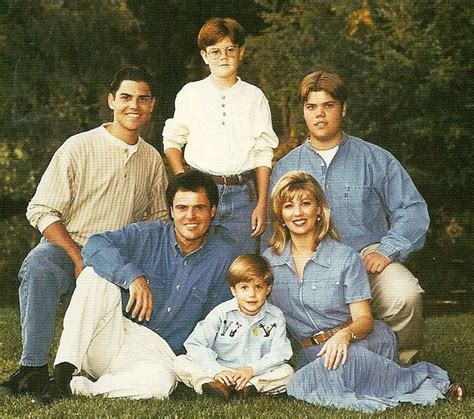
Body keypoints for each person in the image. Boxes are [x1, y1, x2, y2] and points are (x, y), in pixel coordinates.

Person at [0, 66, 169, 396]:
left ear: (151, 105)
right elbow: (42, 209)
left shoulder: (151, 159)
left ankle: (96, 368)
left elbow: (159, 219)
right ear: (111, 101)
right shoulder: (78, 147)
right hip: (70, 246)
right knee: (39, 265)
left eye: (142, 99)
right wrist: (78, 258)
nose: (133, 105)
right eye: (125, 97)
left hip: (119, 254)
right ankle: (32, 369)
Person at [262, 171, 464, 412]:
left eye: (306, 204)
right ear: (281, 216)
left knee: (305, 383)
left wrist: (344, 336)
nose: (298, 213)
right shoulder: (269, 262)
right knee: (314, 377)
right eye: (289, 206)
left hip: (359, 341)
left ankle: (431, 381)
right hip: (312, 352)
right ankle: (401, 378)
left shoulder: (345, 257)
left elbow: (364, 320)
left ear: (319, 211)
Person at [36, 170, 238, 402]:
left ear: (212, 211)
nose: (190, 216)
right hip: (113, 336)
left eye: (199, 207)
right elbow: (95, 245)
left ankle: (80, 387)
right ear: (171, 211)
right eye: (182, 207)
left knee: (160, 384)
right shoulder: (147, 235)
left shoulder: (224, 259)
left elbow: (219, 322)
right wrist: (132, 276)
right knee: (94, 275)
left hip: (160, 354)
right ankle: (61, 375)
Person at [270, 71, 428, 364]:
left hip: (366, 259)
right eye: (311, 107)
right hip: (311, 263)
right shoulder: (286, 167)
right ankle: (301, 364)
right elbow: (275, 226)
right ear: (303, 112)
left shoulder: (375, 158)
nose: (320, 115)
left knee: (405, 293)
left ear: (343, 108)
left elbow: (413, 210)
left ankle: (399, 364)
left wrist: (388, 248)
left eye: (328, 105)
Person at [163, 17, 278, 254]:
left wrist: (261, 204)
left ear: (241, 52)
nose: (223, 57)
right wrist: (184, 181)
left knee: (241, 266)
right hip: (201, 192)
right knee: (198, 260)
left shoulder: (254, 97)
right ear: (205, 56)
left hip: (242, 196)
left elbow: (263, 153)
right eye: (215, 51)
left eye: (230, 50)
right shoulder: (191, 93)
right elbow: (172, 142)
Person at [174, 254, 293, 401]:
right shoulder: (221, 313)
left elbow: (280, 353)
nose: (252, 294)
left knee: (287, 372)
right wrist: (216, 371)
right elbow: (195, 344)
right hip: (222, 370)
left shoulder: (275, 316)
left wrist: (252, 370)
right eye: (244, 287)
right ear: (233, 290)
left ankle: (250, 387)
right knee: (180, 362)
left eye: (258, 287)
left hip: (254, 373)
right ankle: (212, 385)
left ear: (268, 289)